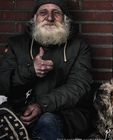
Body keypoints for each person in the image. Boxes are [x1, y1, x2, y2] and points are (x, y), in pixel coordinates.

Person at [0, 0, 93, 139]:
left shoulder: (79, 46)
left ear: (65, 19)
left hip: (64, 114)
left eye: (56, 13)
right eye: (43, 13)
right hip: (17, 111)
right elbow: (3, 84)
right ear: (35, 19)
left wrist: (42, 105)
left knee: (47, 121)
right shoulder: (15, 44)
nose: (49, 18)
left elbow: (79, 86)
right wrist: (31, 70)